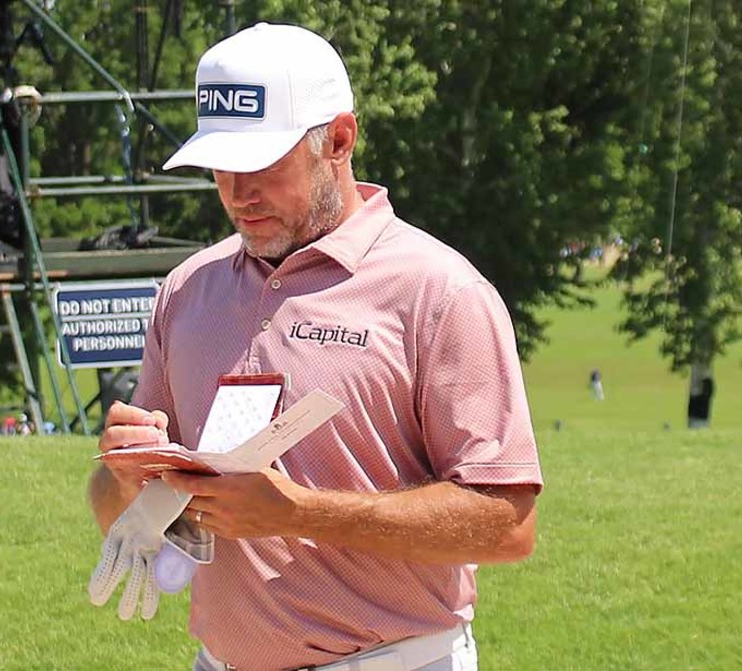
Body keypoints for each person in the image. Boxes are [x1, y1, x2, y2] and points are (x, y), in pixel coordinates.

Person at [88, 23, 542, 671]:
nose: (238, 193)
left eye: (263, 165)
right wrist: (121, 475)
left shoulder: (440, 292)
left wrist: (300, 511)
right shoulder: (188, 291)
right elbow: (121, 508)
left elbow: (507, 522)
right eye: (221, 165)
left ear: (339, 139)